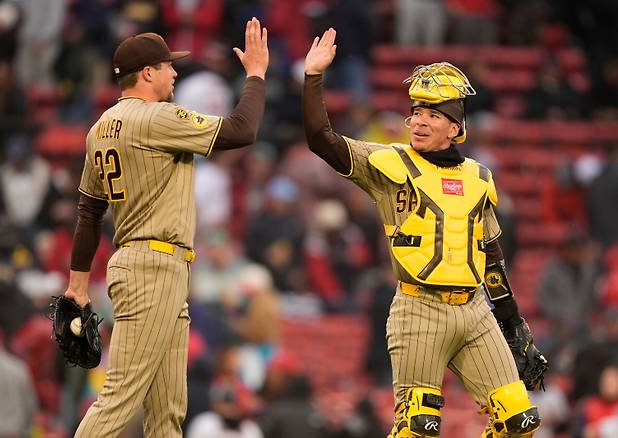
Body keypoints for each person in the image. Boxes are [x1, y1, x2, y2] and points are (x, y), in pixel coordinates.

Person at [302, 28, 547, 437]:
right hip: (419, 309)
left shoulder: (479, 177)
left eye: (433, 114)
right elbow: (320, 139)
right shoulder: (389, 163)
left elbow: (491, 257)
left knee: (520, 422)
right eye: (417, 111)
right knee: (418, 428)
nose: (419, 120)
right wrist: (313, 78)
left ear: (455, 128)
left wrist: (514, 323)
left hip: (474, 310)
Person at [63, 18, 268, 437]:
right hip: (152, 267)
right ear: (147, 73)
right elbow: (242, 131)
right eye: (168, 65)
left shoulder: (99, 129)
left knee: (168, 411)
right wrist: (256, 75)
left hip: (156, 266)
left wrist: (78, 286)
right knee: (119, 399)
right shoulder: (157, 118)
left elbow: (88, 211)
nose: (175, 72)